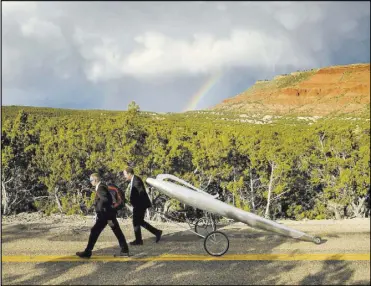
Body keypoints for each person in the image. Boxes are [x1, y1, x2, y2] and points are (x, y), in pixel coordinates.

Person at [76, 173, 130, 258]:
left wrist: (101, 210)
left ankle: (87, 252)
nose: (90, 182)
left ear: (95, 180)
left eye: (91, 180)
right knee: (116, 231)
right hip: (108, 216)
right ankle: (125, 250)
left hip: (105, 216)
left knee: (95, 231)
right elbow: (105, 200)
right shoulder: (101, 187)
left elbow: (105, 199)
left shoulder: (100, 188)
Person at [123, 167, 162, 245]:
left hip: (139, 205)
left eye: (125, 174)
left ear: (129, 173)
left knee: (136, 222)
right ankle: (156, 232)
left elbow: (141, 193)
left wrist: (136, 205)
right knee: (139, 221)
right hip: (138, 205)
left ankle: (139, 240)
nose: (124, 176)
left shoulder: (136, 181)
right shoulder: (134, 180)